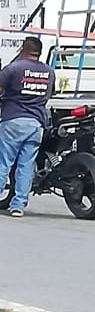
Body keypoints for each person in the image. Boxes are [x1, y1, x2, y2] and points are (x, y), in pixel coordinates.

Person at [0, 37, 55, 218]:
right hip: (36, 124)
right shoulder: (49, 71)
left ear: (23, 49)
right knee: (26, 166)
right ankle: (18, 206)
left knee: (4, 162)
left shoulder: (13, 68)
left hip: (13, 121)